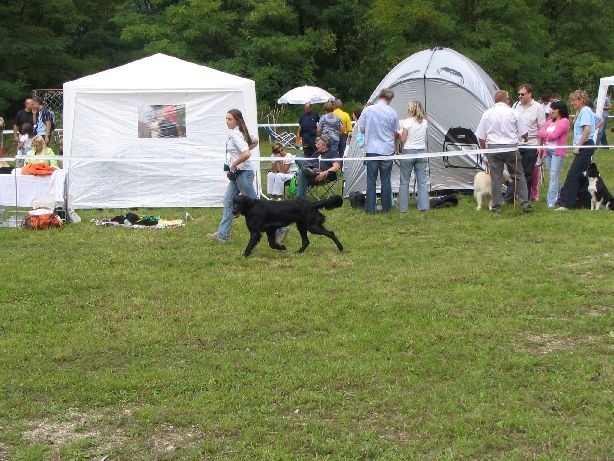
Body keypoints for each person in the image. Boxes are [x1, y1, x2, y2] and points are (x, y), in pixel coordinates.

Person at [475, 90, 532, 213]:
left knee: (496, 178)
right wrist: (525, 138)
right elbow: (524, 132)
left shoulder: (487, 113)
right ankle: (525, 203)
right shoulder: (513, 112)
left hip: (494, 148)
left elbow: (481, 135)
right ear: (506, 100)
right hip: (511, 148)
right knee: (518, 176)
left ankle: (496, 206)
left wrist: (484, 149)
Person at [208, 109, 258, 243]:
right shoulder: (241, 132)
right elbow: (255, 141)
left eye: (229, 119)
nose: (227, 121)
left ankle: (280, 229)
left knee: (257, 206)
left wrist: (234, 163)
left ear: (237, 120)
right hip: (239, 174)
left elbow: (246, 153)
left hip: (243, 174)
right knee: (228, 202)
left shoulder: (236, 134)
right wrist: (239, 156)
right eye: (226, 118)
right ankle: (222, 235)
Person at [357, 88, 399, 213]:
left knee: (371, 180)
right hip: (387, 150)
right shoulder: (393, 112)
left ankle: (370, 208)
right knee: (386, 179)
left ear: (379, 96)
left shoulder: (368, 110)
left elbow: (362, 129)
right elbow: (395, 132)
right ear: (390, 99)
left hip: (371, 149)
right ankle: (386, 208)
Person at [504, 84, 546, 202]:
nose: (520, 96)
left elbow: (541, 127)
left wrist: (540, 145)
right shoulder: (515, 105)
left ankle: (524, 199)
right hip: (517, 144)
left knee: (528, 173)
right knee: (515, 173)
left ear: (529, 94)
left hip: (531, 144)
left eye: (522, 94)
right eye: (519, 94)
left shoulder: (538, 108)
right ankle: (509, 198)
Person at [557, 90, 597, 211]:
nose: (572, 103)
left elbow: (587, 130)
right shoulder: (584, 111)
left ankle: (567, 204)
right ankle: (585, 202)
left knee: (573, 174)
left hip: (585, 146)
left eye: (574, 100)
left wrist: (578, 146)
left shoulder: (585, 111)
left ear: (581, 100)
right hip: (585, 145)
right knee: (583, 176)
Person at [397, 100, 429, 212]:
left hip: (408, 152)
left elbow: (403, 139)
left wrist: (399, 134)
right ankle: (424, 206)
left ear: (412, 109)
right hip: (421, 151)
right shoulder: (425, 122)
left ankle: (403, 208)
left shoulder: (407, 122)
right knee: (422, 182)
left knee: (405, 181)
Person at [537, 101, 570, 207]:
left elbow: (553, 136)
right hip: (548, 150)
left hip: (557, 151)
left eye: (554, 109)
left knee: (553, 175)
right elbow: (540, 133)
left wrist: (546, 134)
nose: (552, 111)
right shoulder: (550, 121)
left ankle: (551, 201)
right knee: (553, 176)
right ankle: (559, 195)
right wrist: (547, 134)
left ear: (560, 110)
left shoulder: (564, 121)